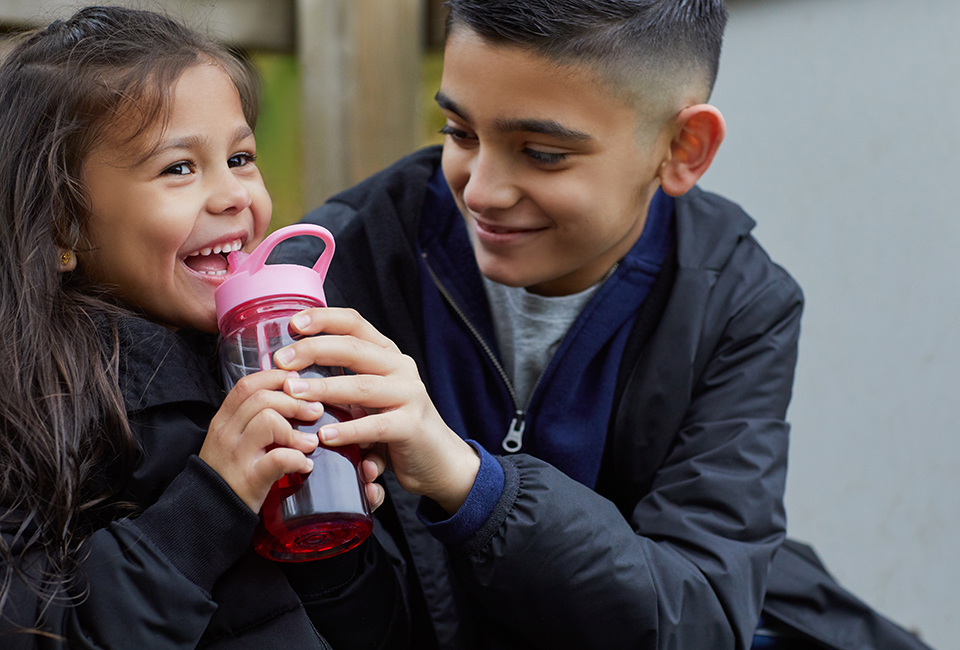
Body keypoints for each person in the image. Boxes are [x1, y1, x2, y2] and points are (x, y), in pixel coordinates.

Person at [273, 1, 935, 649]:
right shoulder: (329, 274)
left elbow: (696, 615)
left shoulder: (738, 304)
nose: (480, 191)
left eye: (540, 152)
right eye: (460, 132)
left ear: (683, 148)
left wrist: (474, 487)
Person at [0, 7, 407, 649]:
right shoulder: (35, 404)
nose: (233, 195)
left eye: (241, 157)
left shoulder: (276, 362)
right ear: (63, 225)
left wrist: (329, 538)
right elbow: (45, 633)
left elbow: (376, 633)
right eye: (179, 168)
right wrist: (214, 499)